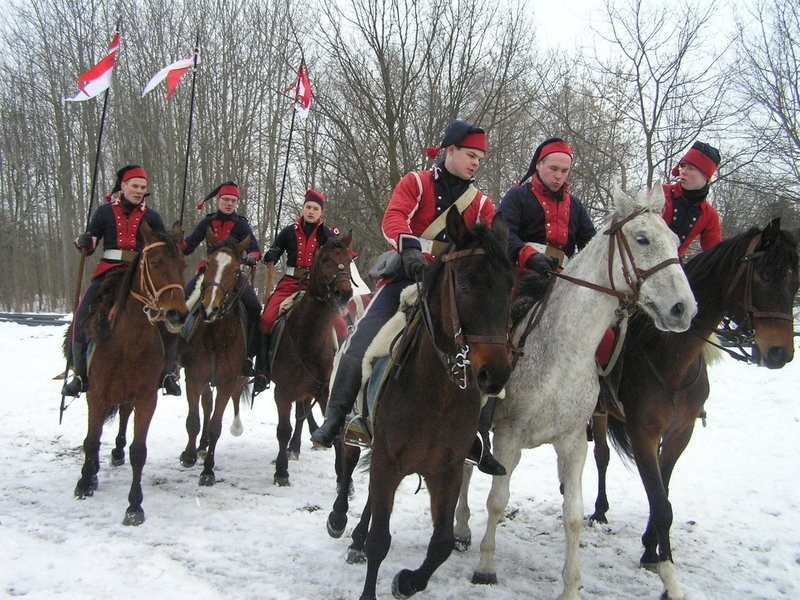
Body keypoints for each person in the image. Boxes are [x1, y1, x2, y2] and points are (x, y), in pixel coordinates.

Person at [311, 118, 507, 476]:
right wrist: (411, 248)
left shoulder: (481, 204)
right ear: (450, 151)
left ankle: (478, 437)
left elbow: (491, 240)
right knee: (360, 344)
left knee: (490, 351)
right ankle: (338, 416)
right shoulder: (416, 182)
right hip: (407, 281)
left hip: (455, 290)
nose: (476, 162)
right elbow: (394, 219)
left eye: (480, 157)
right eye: (469, 154)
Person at [61, 164, 178, 397]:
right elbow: (92, 244)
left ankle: (168, 373)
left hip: (140, 274)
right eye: (135, 186)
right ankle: (80, 375)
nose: (139, 191)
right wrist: (83, 241)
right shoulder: (104, 212)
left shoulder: (152, 216)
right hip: (108, 272)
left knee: (169, 317)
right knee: (82, 313)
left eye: (143, 187)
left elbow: (164, 247)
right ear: (123, 186)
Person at [256, 189, 340, 393]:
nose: (311, 211)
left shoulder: (328, 235)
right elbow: (274, 251)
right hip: (290, 284)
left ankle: (337, 373)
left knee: (341, 326)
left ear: (321, 213)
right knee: (266, 319)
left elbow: (342, 253)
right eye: (308, 207)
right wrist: (272, 253)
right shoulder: (288, 231)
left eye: (315, 209)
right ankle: (262, 369)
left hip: (317, 287)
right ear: (303, 209)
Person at [181, 181, 262, 375]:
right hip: (208, 272)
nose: (229, 204)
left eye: (233, 201)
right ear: (218, 200)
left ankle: (248, 356)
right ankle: (177, 352)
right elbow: (189, 245)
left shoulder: (241, 224)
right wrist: (177, 244)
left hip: (231, 274)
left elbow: (255, 249)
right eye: (226, 199)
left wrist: (251, 258)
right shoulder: (207, 223)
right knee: (182, 301)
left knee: (255, 308)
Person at [499, 137, 595, 278]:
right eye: (553, 168)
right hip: (520, 275)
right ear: (539, 165)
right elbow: (503, 234)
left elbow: (591, 244)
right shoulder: (517, 196)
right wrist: (529, 256)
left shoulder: (576, 205)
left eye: (564, 171)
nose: (558, 176)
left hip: (564, 277)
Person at [662, 141, 722, 257]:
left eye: (691, 168)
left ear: (706, 176)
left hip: (674, 268)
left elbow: (714, 256)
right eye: (683, 166)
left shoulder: (710, 215)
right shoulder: (662, 193)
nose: (683, 172)